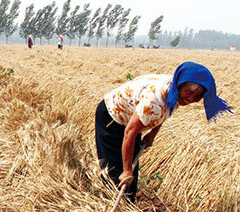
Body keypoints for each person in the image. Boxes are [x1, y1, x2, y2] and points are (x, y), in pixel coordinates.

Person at [94, 61, 231, 201]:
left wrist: (152, 134)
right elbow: (130, 132)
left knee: (130, 175)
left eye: (197, 97)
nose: (190, 99)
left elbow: (166, 110)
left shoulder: (174, 92)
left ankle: (128, 204)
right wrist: (127, 170)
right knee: (115, 170)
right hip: (112, 116)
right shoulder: (154, 101)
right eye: (189, 92)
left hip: (132, 119)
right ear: (180, 85)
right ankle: (108, 205)